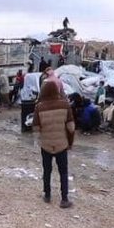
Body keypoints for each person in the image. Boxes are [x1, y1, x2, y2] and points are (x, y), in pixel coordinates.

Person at [33, 80, 75, 209]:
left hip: (46, 144)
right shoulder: (65, 105)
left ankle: (47, 195)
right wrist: (70, 142)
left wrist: (40, 141)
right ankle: (64, 199)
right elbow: (71, 127)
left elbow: (36, 129)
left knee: (47, 170)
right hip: (61, 144)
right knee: (63, 172)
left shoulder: (39, 107)